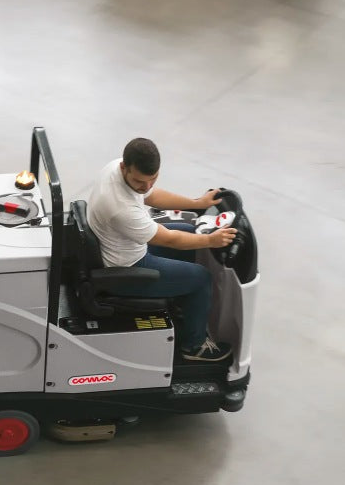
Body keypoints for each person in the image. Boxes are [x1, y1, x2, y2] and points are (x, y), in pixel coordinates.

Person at [87, 137, 236, 362]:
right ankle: (193, 347)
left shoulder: (120, 168)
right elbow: (169, 239)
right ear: (124, 168)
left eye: (152, 179)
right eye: (139, 181)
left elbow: (152, 195)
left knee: (190, 232)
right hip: (126, 268)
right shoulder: (119, 207)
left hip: (130, 245)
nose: (146, 186)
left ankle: (182, 307)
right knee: (201, 278)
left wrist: (198, 203)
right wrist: (211, 241)